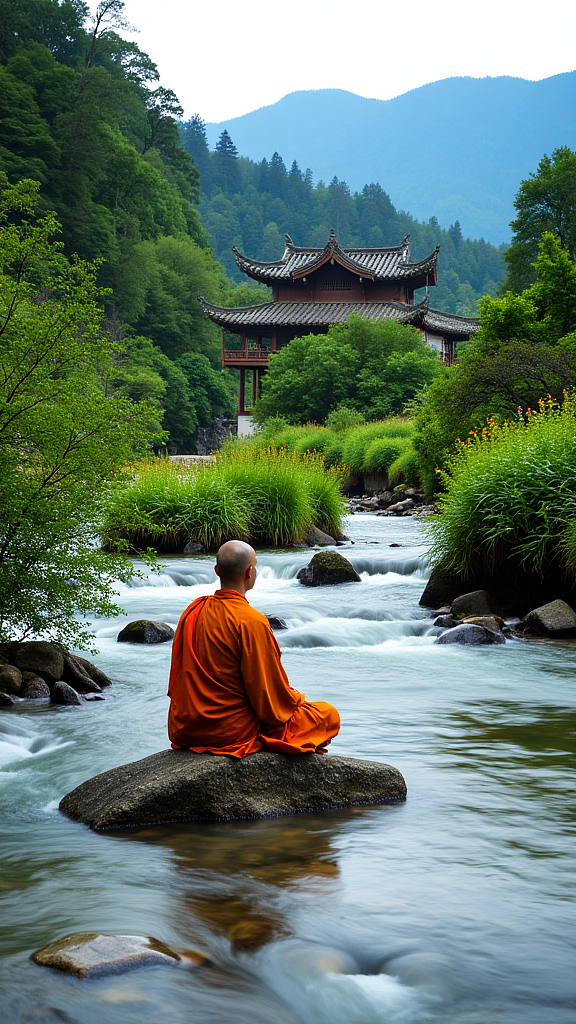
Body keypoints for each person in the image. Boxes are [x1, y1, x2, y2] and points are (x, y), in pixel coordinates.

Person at [167, 540, 340, 757]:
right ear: (250, 573)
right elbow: (270, 704)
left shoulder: (192, 611)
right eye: (255, 567)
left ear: (216, 571)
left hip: (184, 728)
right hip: (229, 732)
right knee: (327, 714)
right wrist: (295, 698)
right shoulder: (251, 622)